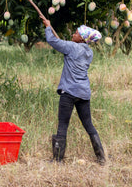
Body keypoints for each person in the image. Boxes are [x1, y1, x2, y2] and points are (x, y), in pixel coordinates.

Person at [41, 17, 106, 165]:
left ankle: (57, 160)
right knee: (88, 124)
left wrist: (48, 26)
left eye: (75, 33)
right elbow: (67, 49)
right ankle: (101, 158)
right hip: (83, 93)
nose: (73, 35)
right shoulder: (89, 53)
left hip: (69, 92)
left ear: (82, 38)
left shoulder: (71, 47)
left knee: (63, 124)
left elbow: (52, 41)